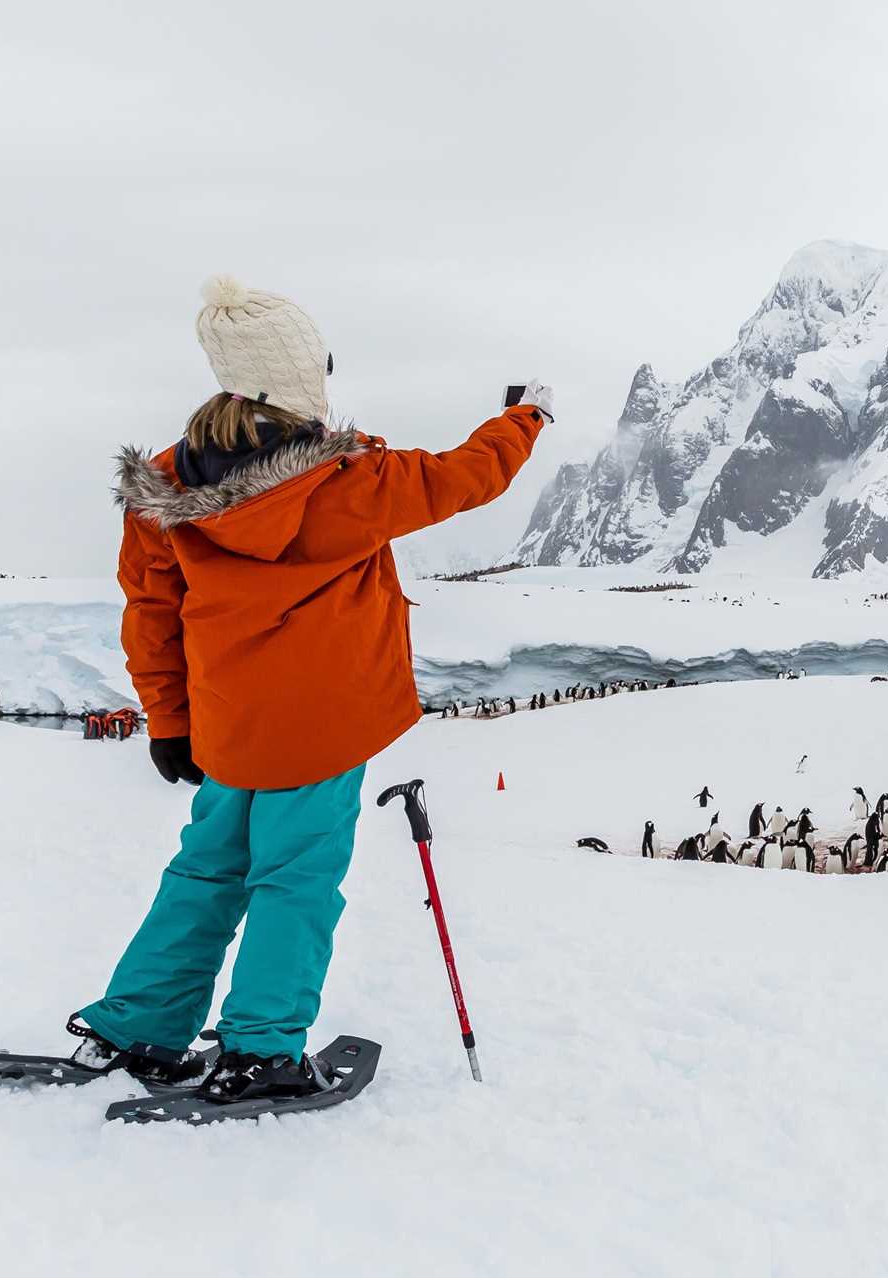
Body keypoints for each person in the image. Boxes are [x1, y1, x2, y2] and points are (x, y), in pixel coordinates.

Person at [63, 276, 550, 1103]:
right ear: (299, 380)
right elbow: (471, 476)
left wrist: (169, 722)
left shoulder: (165, 488)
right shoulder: (350, 482)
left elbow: (153, 611)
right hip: (323, 730)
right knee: (295, 880)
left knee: (206, 872)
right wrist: (524, 417)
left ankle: (137, 1024)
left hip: (227, 727)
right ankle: (263, 1051)